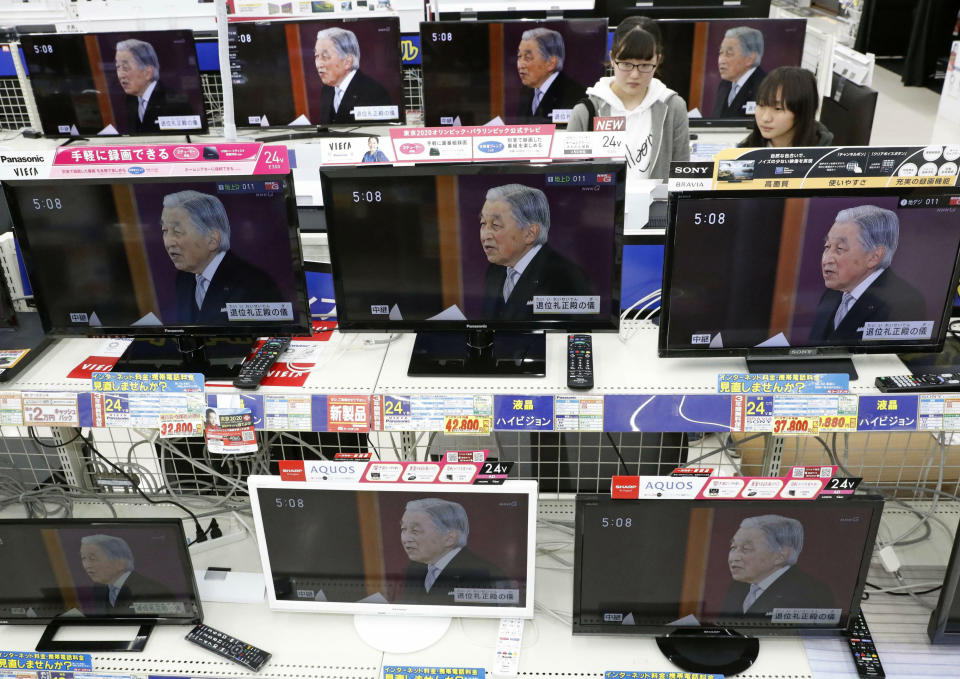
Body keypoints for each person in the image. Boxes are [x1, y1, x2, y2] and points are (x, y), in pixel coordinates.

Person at [567, 17, 690, 181]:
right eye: (625, 64)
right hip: (601, 206)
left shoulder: (673, 107)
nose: (634, 75)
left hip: (657, 206)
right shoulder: (586, 112)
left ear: (658, 60)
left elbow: (682, 177)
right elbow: (568, 179)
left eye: (645, 65)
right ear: (612, 58)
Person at [161, 190, 283, 324]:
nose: (168, 242)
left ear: (212, 240)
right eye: (165, 231)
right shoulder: (184, 278)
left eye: (177, 231)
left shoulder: (254, 285)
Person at [809, 205, 926, 343]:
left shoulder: (905, 304)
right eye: (827, 246)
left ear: (874, 257)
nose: (827, 259)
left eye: (840, 248)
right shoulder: (833, 294)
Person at [479, 184, 594, 320]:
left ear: (530, 233)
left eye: (495, 225)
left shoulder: (566, 278)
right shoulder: (495, 271)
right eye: (482, 223)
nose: (485, 235)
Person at [398, 498, 511, 605]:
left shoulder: (484, 575)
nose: (406, 538)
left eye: (415, 530)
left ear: (449, 538)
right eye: (403, 529)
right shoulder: (416, 568)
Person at [720, 515, 833, 616]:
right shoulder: (737, 588)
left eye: (746, 549)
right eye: (733, 547)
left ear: (780, 556)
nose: (734, 557)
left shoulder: (810, 594)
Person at [79, 534, 174, 615]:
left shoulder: (155, 592)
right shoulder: (99, 589)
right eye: (83, 558)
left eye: (92, 558)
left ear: (120, 563)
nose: (86, 566)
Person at [739, 67, 834, 147]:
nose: (765, 118)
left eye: (777, 108)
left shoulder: (827, 159)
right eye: (761, 105)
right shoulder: (742, 155)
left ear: (802, 111)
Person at [115, 39, 195, 134]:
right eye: (117, 67)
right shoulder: (130, 100)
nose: (120, 75)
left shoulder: (175, 103)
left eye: (125, 67)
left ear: (148, 72)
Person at [314, 27, 390, 125]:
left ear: (348, 62)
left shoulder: (375, 94)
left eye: (325, 56)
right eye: (316, 56)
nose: (318, 64)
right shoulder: (327, 90)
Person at [515, 28, 583, 124]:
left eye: (527, 57)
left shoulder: (575, 95)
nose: (520, 65)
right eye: (519, 56)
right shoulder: (526, 91)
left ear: (551, 63)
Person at [712, 27, 766, 119]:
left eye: (729, 54)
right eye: (720, 53)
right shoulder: (725, 84)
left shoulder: (765, 86)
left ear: (750, 59)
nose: (721, 60)